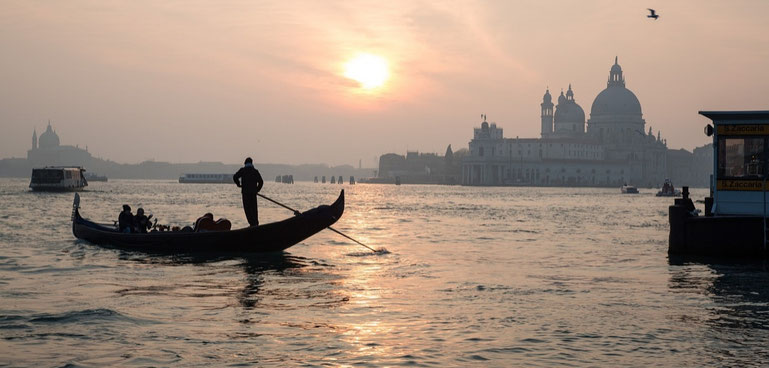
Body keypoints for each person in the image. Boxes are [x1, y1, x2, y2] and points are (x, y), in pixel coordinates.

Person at [233, 157, 264, 226]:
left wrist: (238, 184)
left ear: (245, 163)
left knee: (247, 209)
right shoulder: (255, 171)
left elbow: (235, 177)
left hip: (245, 193)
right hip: (253, 193)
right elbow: (261, 182)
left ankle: (251, 224)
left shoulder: (243, 170)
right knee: (254, 209)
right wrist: (257, 190)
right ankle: (255, 223)